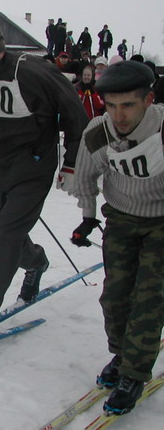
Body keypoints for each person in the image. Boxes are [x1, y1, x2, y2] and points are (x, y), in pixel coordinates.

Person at [0, 14, 88, 346]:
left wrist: (72, 164)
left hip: (33, 165)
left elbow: (75, 117)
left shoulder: (33, 72)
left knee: (3, 235)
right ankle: (36, 261)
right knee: (3, 232)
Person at [70, 61, 163, 415]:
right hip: (122, 216)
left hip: (161, 220)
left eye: (128, 105)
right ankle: (122, 355)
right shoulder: (99, 131)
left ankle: (135, 373)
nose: (118, 115)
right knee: (114, 297)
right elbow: (85, 175)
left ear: (149, 100)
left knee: (148, 299)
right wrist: (88, 218)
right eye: (110, 105)